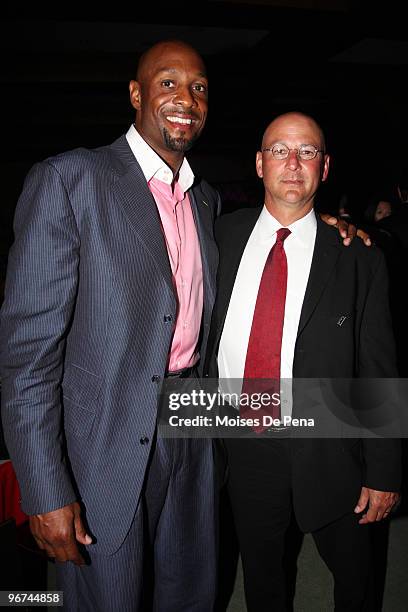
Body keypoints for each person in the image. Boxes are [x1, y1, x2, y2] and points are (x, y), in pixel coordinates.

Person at [0, 40, 367, 610]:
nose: (185, 99)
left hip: (194, 428)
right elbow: (28, 358)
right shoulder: (69, 180)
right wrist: (45, 490)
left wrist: (323, 223)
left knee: (192, 592)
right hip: (106, 441)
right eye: (167, 83)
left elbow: (276, 228)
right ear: (136, 93)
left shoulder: (207, 204)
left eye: (197, 88)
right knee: (110, 597)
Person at [205, 112, 401, 611]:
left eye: (307, 151)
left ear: (325, 166)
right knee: (263, 577)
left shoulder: (360, 257)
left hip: (332, 443)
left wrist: (384, 472)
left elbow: (379, 366)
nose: (293, 163)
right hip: (241, 441)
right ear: (258, 162)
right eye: (279, 150)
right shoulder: (218, 235)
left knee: (356, 578)